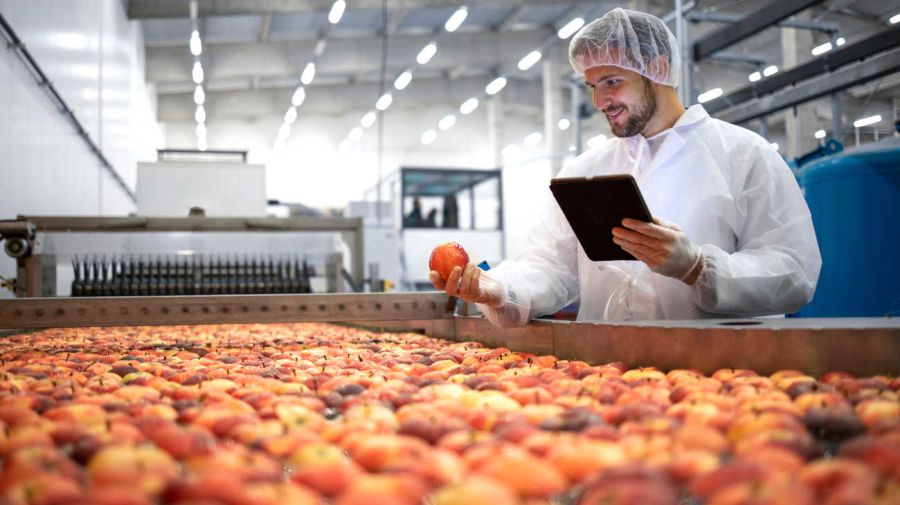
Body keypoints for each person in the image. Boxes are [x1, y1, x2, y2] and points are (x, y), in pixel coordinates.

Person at [430, 8, 821, 326]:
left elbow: (794, 272)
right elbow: (549, 266)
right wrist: (500, 289)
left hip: (720, 376)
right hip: (610, 374)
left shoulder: (743, 156)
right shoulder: (585, 171)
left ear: (659, 69)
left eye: (612, 81)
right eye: (593, 86)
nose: (600, 101)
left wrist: (699, 268)